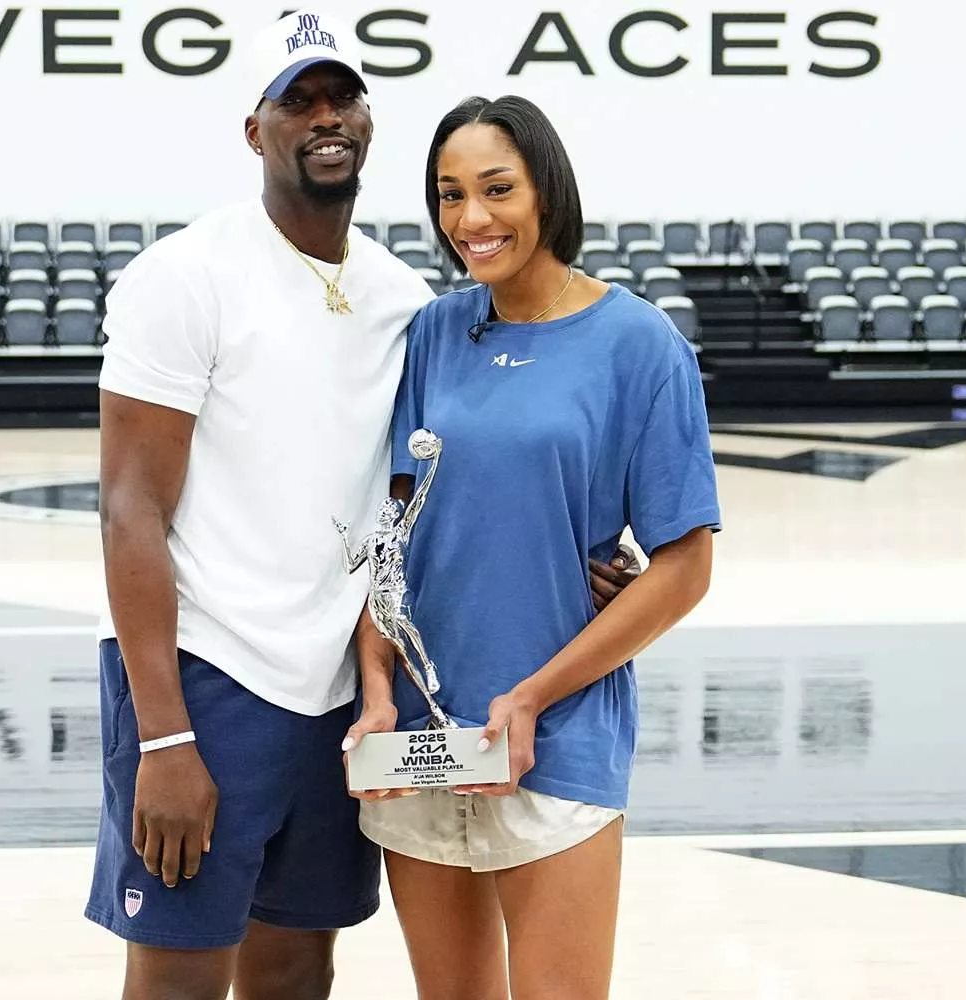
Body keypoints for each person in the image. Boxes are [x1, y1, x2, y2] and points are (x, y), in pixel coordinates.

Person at [85, 13, 636, 999]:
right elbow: (129, 511)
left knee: (298, 965)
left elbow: (430, 484)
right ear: (255, 130)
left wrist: (570, 558)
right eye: (298, 99)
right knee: (177, 976)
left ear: (369, 121)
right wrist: (164, 737)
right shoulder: (183, 275)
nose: (325, 115)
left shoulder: (401, 297)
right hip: (206, 673)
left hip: (337, 688)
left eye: (343, 95)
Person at [350, 95, 721, 1000]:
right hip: (425, 739)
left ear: (545, 191)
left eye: (496, 189)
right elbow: (391, 540)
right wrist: (374, 692)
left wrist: (530, 698)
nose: (471, 220)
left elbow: (685, 566)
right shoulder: (435, 334)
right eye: (449, 195)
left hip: (555, 737)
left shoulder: (639, 345)